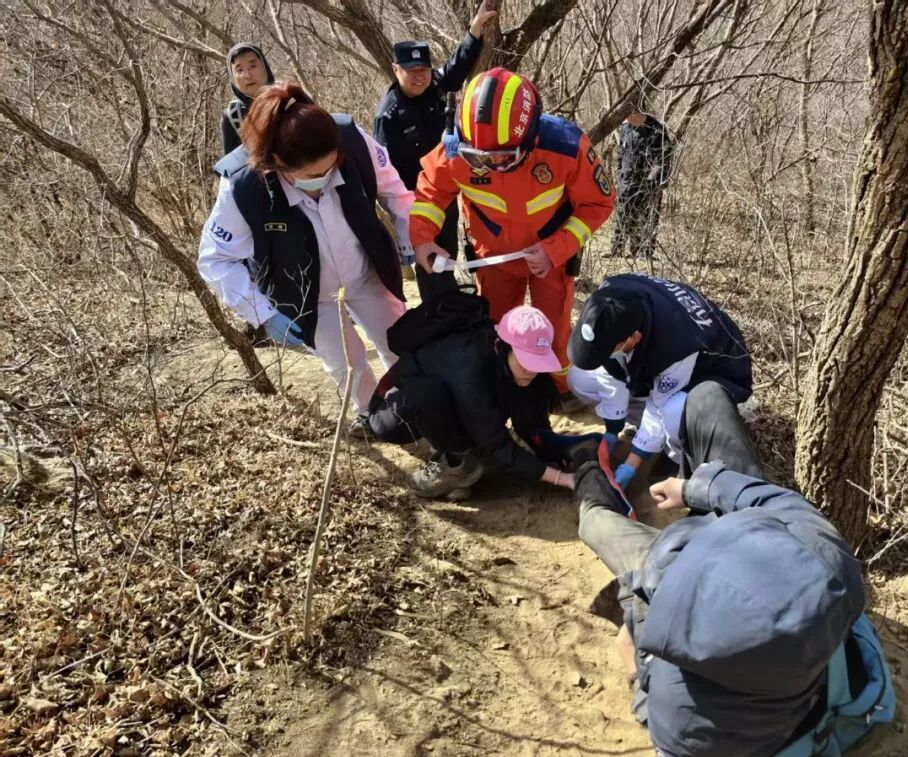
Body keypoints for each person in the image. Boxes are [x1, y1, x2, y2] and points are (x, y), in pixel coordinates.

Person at [566, 419, 885, 757]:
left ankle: (584, 461)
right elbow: (781, 504)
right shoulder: (833, 568)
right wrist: (691, 489)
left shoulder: (668, 598)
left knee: (596, 523)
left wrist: (635, 661)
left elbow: (665, 720)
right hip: (780, 737)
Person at [200, 82, 414, 438]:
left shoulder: (350, 139)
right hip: (307, 294)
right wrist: (263, 313)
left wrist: (410, 239)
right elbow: (214, 259)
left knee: (401, 343)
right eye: (315, 176)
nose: (327, 178)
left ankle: (412, 404)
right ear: (279, 164)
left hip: (366, 269)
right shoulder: (243, 186)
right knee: (346, 365)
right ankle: (371, 413)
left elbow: (396, 192)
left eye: (333, 168)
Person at [409, 67, 616, 400]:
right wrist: (422, 237)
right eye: (479, 158)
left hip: (551, 259)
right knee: (496, 329)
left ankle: (556, 390)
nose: (490, 166)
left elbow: (599, 203)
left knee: (553, 330)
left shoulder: (565, 147)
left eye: (504, 157)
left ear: (530, 138)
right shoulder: (457, 149)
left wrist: (556, 249)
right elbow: (431, 191)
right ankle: (502, 391)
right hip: (492, 258)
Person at [368, 304, 594, 498]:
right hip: (398, 409)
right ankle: (454, 464)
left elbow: (529, 418)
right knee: (429, 394)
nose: (531, 369)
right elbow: (495, 444)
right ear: (501, 346)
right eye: (525, 360)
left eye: (537, 362)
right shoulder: (468, 367)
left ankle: (462, 443)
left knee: (514, 386)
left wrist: (550, 452)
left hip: (455, 395)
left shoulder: (510, 360)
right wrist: (563, 480)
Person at [567, 273, 760, 490]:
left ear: (634, 338)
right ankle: (646, 433)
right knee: (579, 378)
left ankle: (679, 454)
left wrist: (630, 465)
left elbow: (657, 410)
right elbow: (608, 371)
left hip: (710, 375)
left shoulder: (674, 346)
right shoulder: (608, 301)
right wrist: (613, 430)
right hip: (656, 361)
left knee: (671, 412)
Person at [373, 1, 498, 302]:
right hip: (417, 200)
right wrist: (405, 213)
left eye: (424, 70)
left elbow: (458, 65)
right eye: (411, 71)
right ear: (395, 70)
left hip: (447, 190)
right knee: (430, 262)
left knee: (448, 252)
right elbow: (385, 173)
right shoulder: (388, 116)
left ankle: (451, 301)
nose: (419, 76)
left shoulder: (436, 87)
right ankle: (437, 310)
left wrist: (475, 29)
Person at [608, 105, 675, 258]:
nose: (623, 119)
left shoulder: (657, 131)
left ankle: (643, 253)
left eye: (625, 115)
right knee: (622, 215)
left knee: (646, 218)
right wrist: (619, 175)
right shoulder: (625, 128)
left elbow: (664, 158)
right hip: (626, 181)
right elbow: (621, 154)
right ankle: (616, 250)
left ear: (634, 113)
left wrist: (652, 179)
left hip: (648, 185)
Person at [221, 43, 275, 155]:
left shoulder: (291, 98)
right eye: (239, 70)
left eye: (253, 66)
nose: (248, 75)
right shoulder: (234, 116)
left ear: (265, 68)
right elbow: (232, 169)